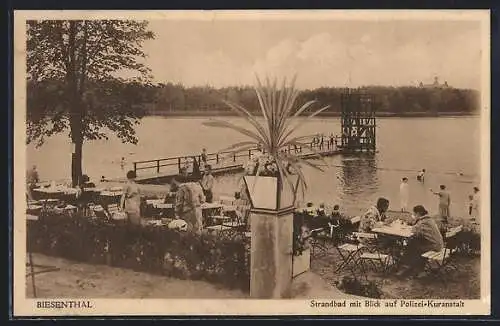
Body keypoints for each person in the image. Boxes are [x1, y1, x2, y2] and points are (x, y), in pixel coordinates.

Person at [397, 205, 444, 277]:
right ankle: (412, 267)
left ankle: (405, 267)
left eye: (414, 214)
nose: (414, 216)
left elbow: (414, 230)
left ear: (418, 213)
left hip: (434, 246)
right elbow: (419, 232)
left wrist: (411, 222)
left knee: (412, 245)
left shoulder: (423, 222)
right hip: (437, 244)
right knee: (414, 242)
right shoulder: (428, 219)